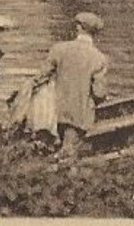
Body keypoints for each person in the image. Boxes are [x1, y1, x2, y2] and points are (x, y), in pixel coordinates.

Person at [30, 12, 109, 155]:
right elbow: (99, 93)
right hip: (80, 116)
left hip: (56, 112)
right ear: (95, 33)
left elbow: (40, 78)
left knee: (55, 148)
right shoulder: (99, 58)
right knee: (70, 151)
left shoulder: (59, 49)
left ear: (78, 28)